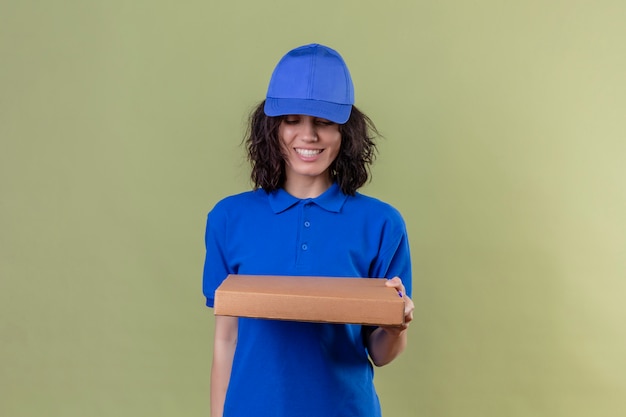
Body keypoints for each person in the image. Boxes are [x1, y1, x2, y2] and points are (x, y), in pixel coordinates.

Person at [203, 43, 414, 417]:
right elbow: (226, 339)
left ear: (345, 131)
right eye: (292, 120)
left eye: (324, 122)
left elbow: (380, 353)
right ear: (271, 127)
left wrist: (397, 327)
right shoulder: (229, 218)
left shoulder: (382, 224)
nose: (308, 135)